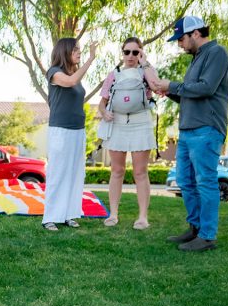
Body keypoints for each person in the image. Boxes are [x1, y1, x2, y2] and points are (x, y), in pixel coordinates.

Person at [146, 16, 228, 251]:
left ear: (195, 33)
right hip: (188, 130)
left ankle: (207, 236)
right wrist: (168, 91)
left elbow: (206, 88)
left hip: (207, 128)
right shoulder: (196, 59)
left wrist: (171, 85)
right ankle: (195, 229)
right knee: (185, 180)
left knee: (205, 182)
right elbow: (189, 94)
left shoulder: (217, 53)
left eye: (181, 39)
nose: (179, 45)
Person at [97, 37, 157, 230]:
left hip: (141, 122)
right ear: (122, 53)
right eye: (127, 52)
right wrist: (104, 112)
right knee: (117, 171)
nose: (131, 56)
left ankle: (142, 217)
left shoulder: (146, 71)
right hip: (118, 124)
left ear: (141, 53)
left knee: (140, 172)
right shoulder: (113, 74)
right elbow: (103, 101)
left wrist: (146, 62)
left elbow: (156, 85)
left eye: (135, 52)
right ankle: (113, 214)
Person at [42, 37, 98, 231]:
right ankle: (50, 217)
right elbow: (71, 81)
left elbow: (75, 81)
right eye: (76, 49)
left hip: (78, 130)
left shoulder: (74, 74)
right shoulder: (54, 73)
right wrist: (91, 59)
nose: (79, 52)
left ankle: (69, 214)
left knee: (75, 174)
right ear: (64, 51)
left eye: (80, 49)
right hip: (60, 130)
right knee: (58, 173)